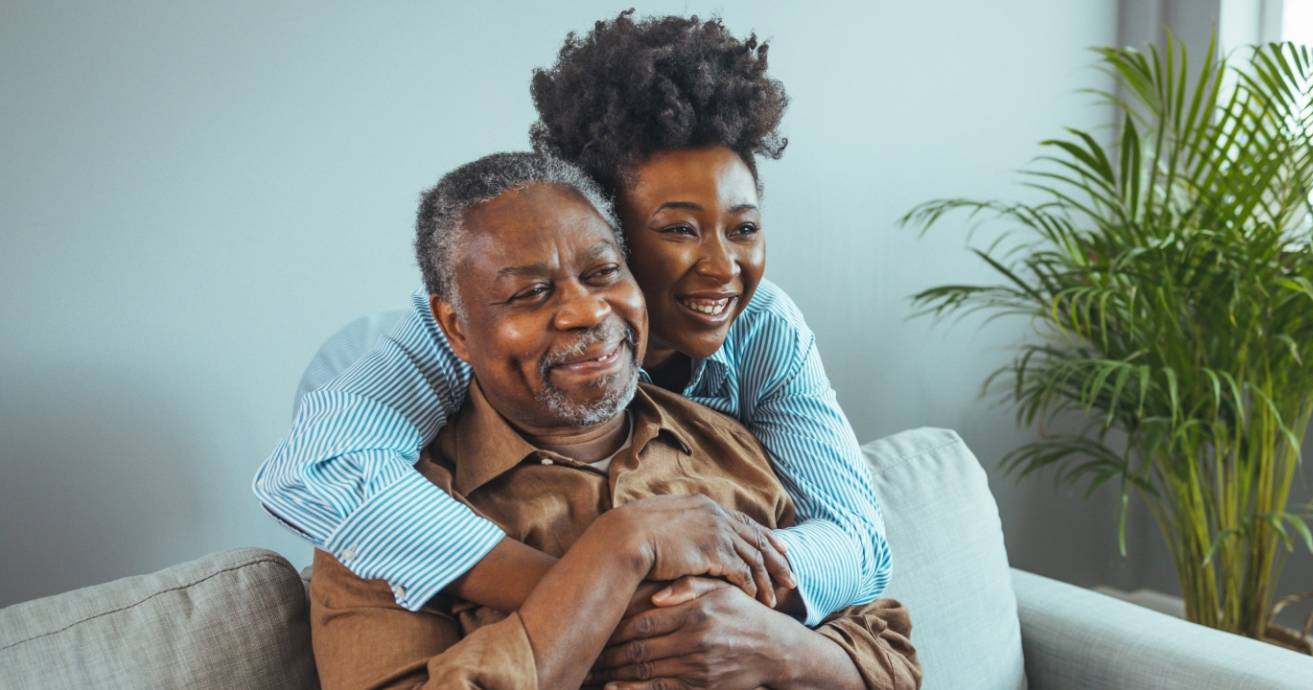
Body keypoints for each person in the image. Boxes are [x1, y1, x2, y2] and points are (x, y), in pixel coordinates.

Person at [255, 10, 888, 626]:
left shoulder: (764, 324)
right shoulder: (461, 333)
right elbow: (316, 467)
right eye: (678, 230)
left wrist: (710, 600)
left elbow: (860, 541)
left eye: (744, 227)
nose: (723, 268)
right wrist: (596, 595)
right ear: (599, 227)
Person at [309, 151, 919, 690]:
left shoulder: (731, 438)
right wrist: (616, 553)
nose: (583, 310)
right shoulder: (381, 522)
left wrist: (769, 644)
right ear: (454, 327)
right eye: (530, 293)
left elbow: (885, 639)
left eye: (602, 273)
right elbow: (316, 465)